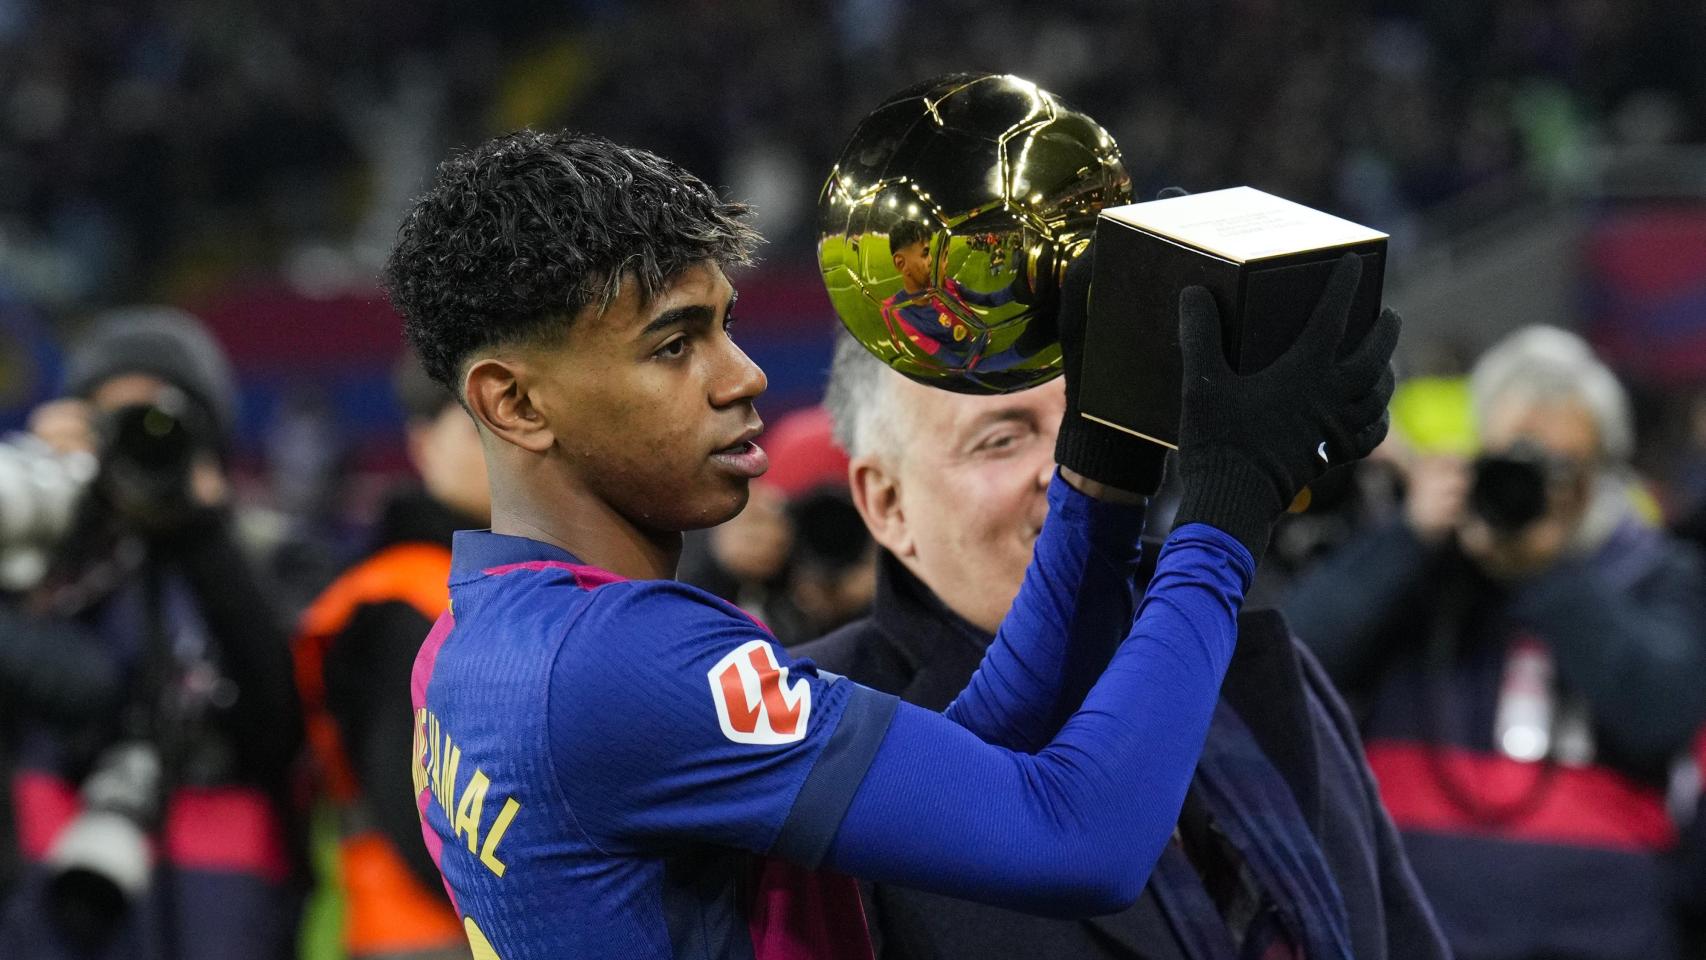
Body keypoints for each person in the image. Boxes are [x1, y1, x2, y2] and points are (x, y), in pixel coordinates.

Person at [383, 129, 1396, 959]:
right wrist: (1225, 504)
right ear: (513, 403)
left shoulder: (474, 646)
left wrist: (1105, 463)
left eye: (724, 326)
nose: (741, 377)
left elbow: (973, 747)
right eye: (673, 343)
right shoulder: (615, 664)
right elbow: (1080, 838)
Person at [793, 321, 1445, 959]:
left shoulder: (1262, 668)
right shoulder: (821, 740)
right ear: (887, 503)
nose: (1071, 466)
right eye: (1002, 440)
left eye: (1096, 420)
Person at [1283, 325, 1706, 960]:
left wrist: (1547, 572)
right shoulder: (1425, 568)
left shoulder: (1652, 573)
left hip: (1605, 934)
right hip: (1421, 928)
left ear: (1603, 475)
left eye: (1562, 469)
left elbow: (1659, 716)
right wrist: (1410, 537)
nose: (1536, 488)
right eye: (1515, 460)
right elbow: (1296, 663)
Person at [0, 307, 303, 960]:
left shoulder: (263, 556)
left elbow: (277, 722)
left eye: (160, 424)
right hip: (57, 886)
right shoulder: (42, 559)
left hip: (223, 892)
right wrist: (43, 506)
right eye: (113, 424)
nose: (137, 443)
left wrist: (202, 530)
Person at [292, 356, 490, 959]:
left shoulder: (498, 585)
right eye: (475, 427)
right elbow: (414, 810)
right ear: (421, 440)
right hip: (429, 933)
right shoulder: (397, 602)